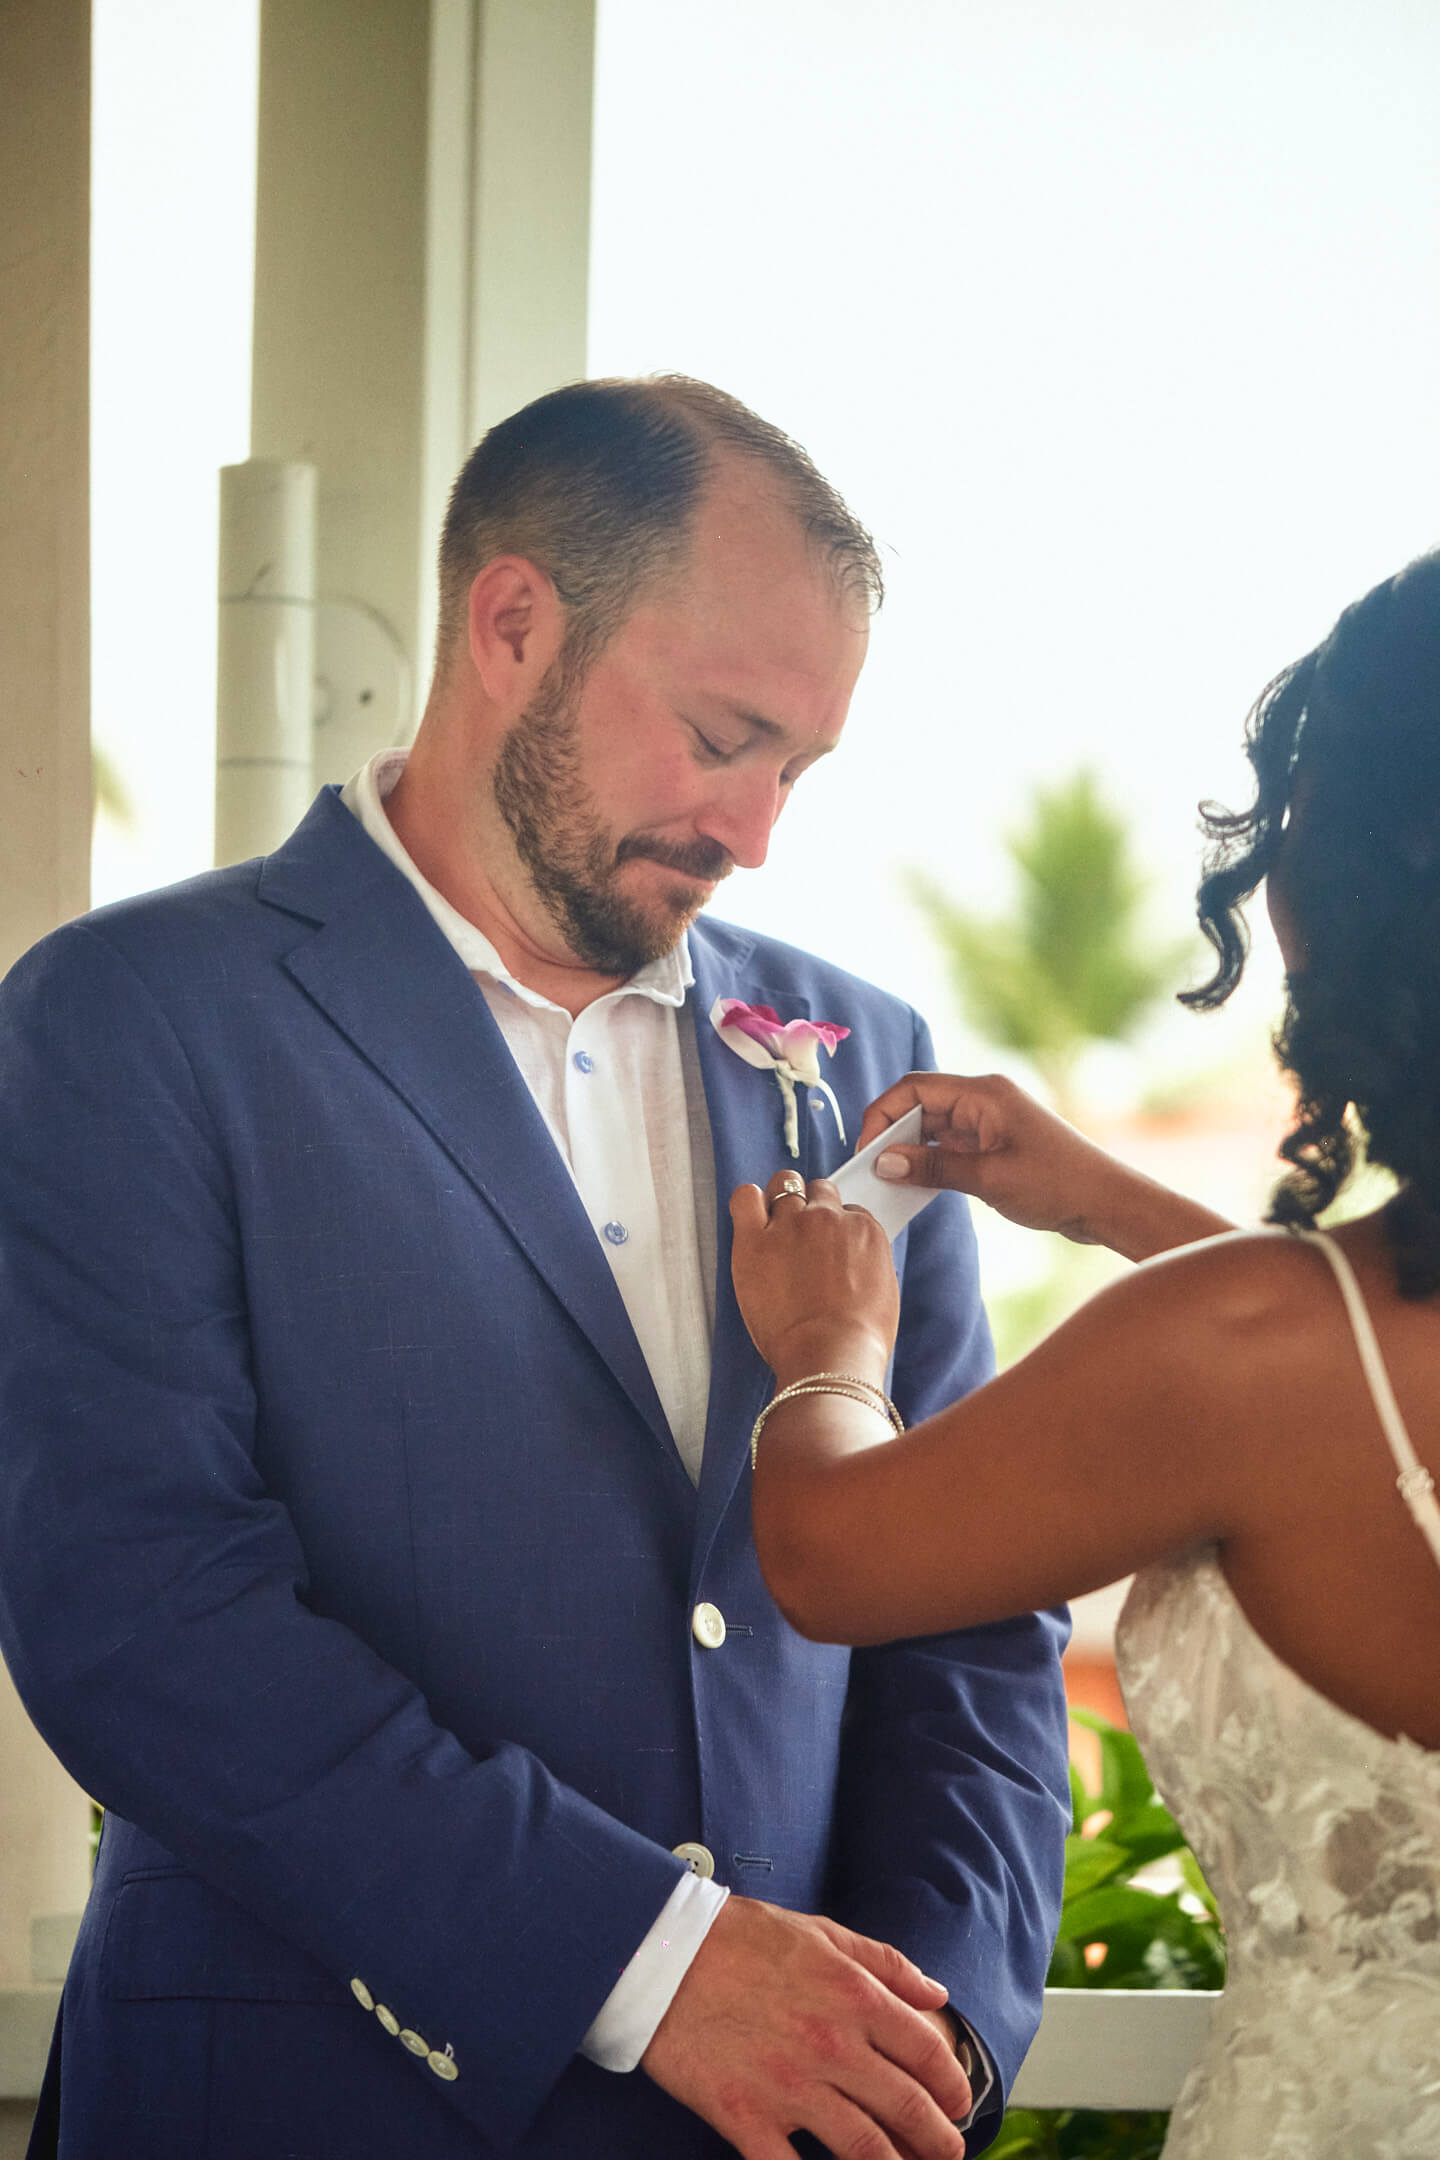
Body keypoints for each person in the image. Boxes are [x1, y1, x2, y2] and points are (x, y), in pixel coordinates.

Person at [0, 377, 1070, 2160]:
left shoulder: (863, 1056)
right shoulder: (129, 1019)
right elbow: (140, 1612)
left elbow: (972, 1629)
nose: (757, 828)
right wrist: (653, 1967)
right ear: (513, 622)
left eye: (799, 769)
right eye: (726, 736)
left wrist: (921, 2040)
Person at [731, 550, 1440, 2158]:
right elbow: (1354, 1411)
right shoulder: (1278, 1358)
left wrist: (832, 1338)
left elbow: (833, 1555)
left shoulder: (1237, 1360)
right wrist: (1114, 1205)